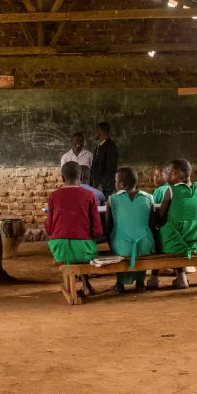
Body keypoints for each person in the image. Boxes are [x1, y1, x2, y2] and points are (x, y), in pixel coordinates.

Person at [155, 159, 197, 290]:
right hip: (195, 243)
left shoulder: (170, 191)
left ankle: (154, 277)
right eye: (169, 173)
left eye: (174, 173)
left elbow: (161, 216)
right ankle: (181, 276)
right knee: (178, 231)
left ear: (187, 175)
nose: (170, 176)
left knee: (158, 233)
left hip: (173, 245)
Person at [45, 162, 103, 296]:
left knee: (70, 250)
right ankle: (86, 284)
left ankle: (83, 284)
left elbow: (49, 229)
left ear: (62, 179)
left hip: (60, 250)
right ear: (81, 177)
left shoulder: (54, 196)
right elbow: (97, 230)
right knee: (81, 249)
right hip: (85, 250)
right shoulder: (89, 195)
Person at [106, 167, 155, 293]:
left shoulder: (112, 199)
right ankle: (140, 283)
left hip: (122, 245)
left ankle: (120, 283)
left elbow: (109, 226)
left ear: (122, 184)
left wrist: (110, 244)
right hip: (145, 244)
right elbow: (152, 224)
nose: (115, 184)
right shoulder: (149, 197)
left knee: (118, 239)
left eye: (116, 181)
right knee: (141, 239)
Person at [91, 122, 119, 197]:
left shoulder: (111, 147)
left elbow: (111, 168)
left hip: (105, 188)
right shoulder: (99, 146)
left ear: (100, 131)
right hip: (97, 187)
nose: (94, 133)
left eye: (95, 130)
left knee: (104, 208)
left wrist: (102, 185)